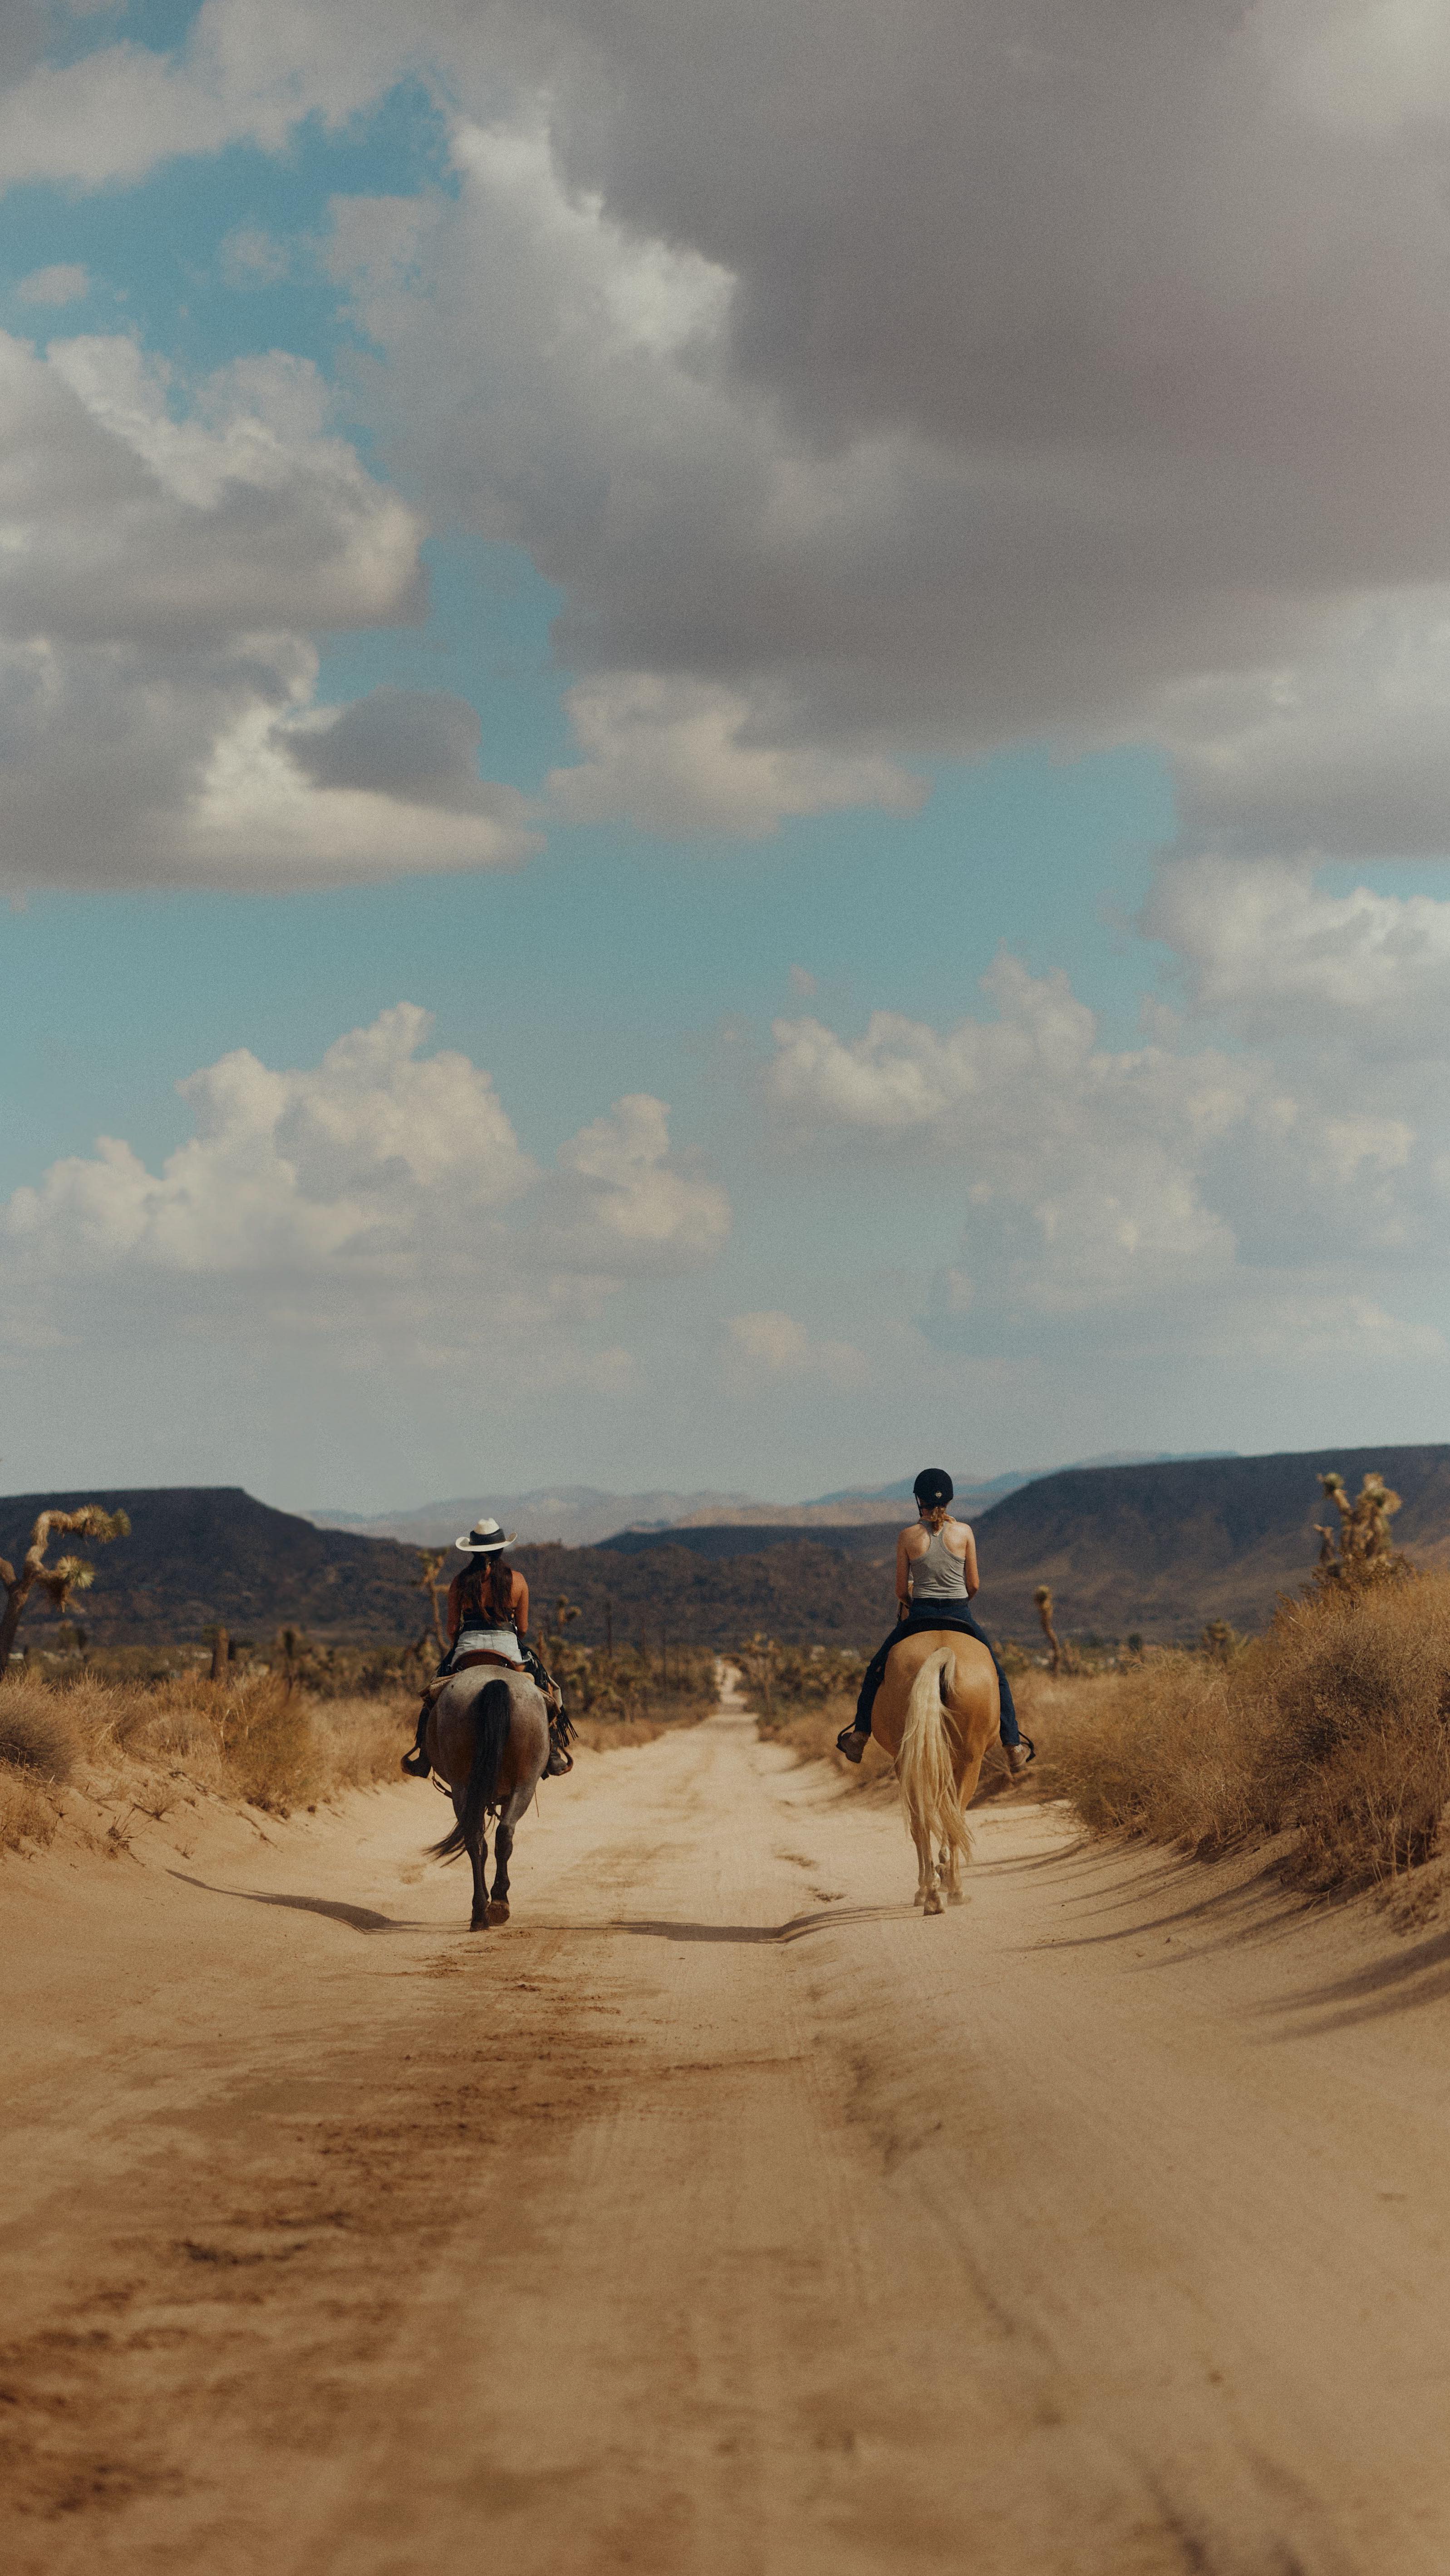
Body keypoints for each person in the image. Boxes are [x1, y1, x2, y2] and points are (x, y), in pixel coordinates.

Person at [836, 1469, 1034, 1775]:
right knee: (996, 1673)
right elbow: (974, 1585)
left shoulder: (907, 1536)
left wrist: (917, 1602)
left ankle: (859, 1736)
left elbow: (901, 1590)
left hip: (919, 1614)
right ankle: (1013, 1746)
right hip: (960, 1613)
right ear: (950, 1498)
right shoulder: (965, 1533)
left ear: (919, 1500)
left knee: (875, 1670)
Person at [402, 1517, 572, 1779]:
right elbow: (524, 1628)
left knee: (433, 1694)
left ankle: (424, 1756)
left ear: (473, 1550)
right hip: (508, 1647)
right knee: (546, 1688)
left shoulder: (460, 1582)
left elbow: (450, 1628)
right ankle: (551, 1752)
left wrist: (460, 1641)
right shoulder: (517, 1581)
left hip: (467, 1647)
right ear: (501, 1548)